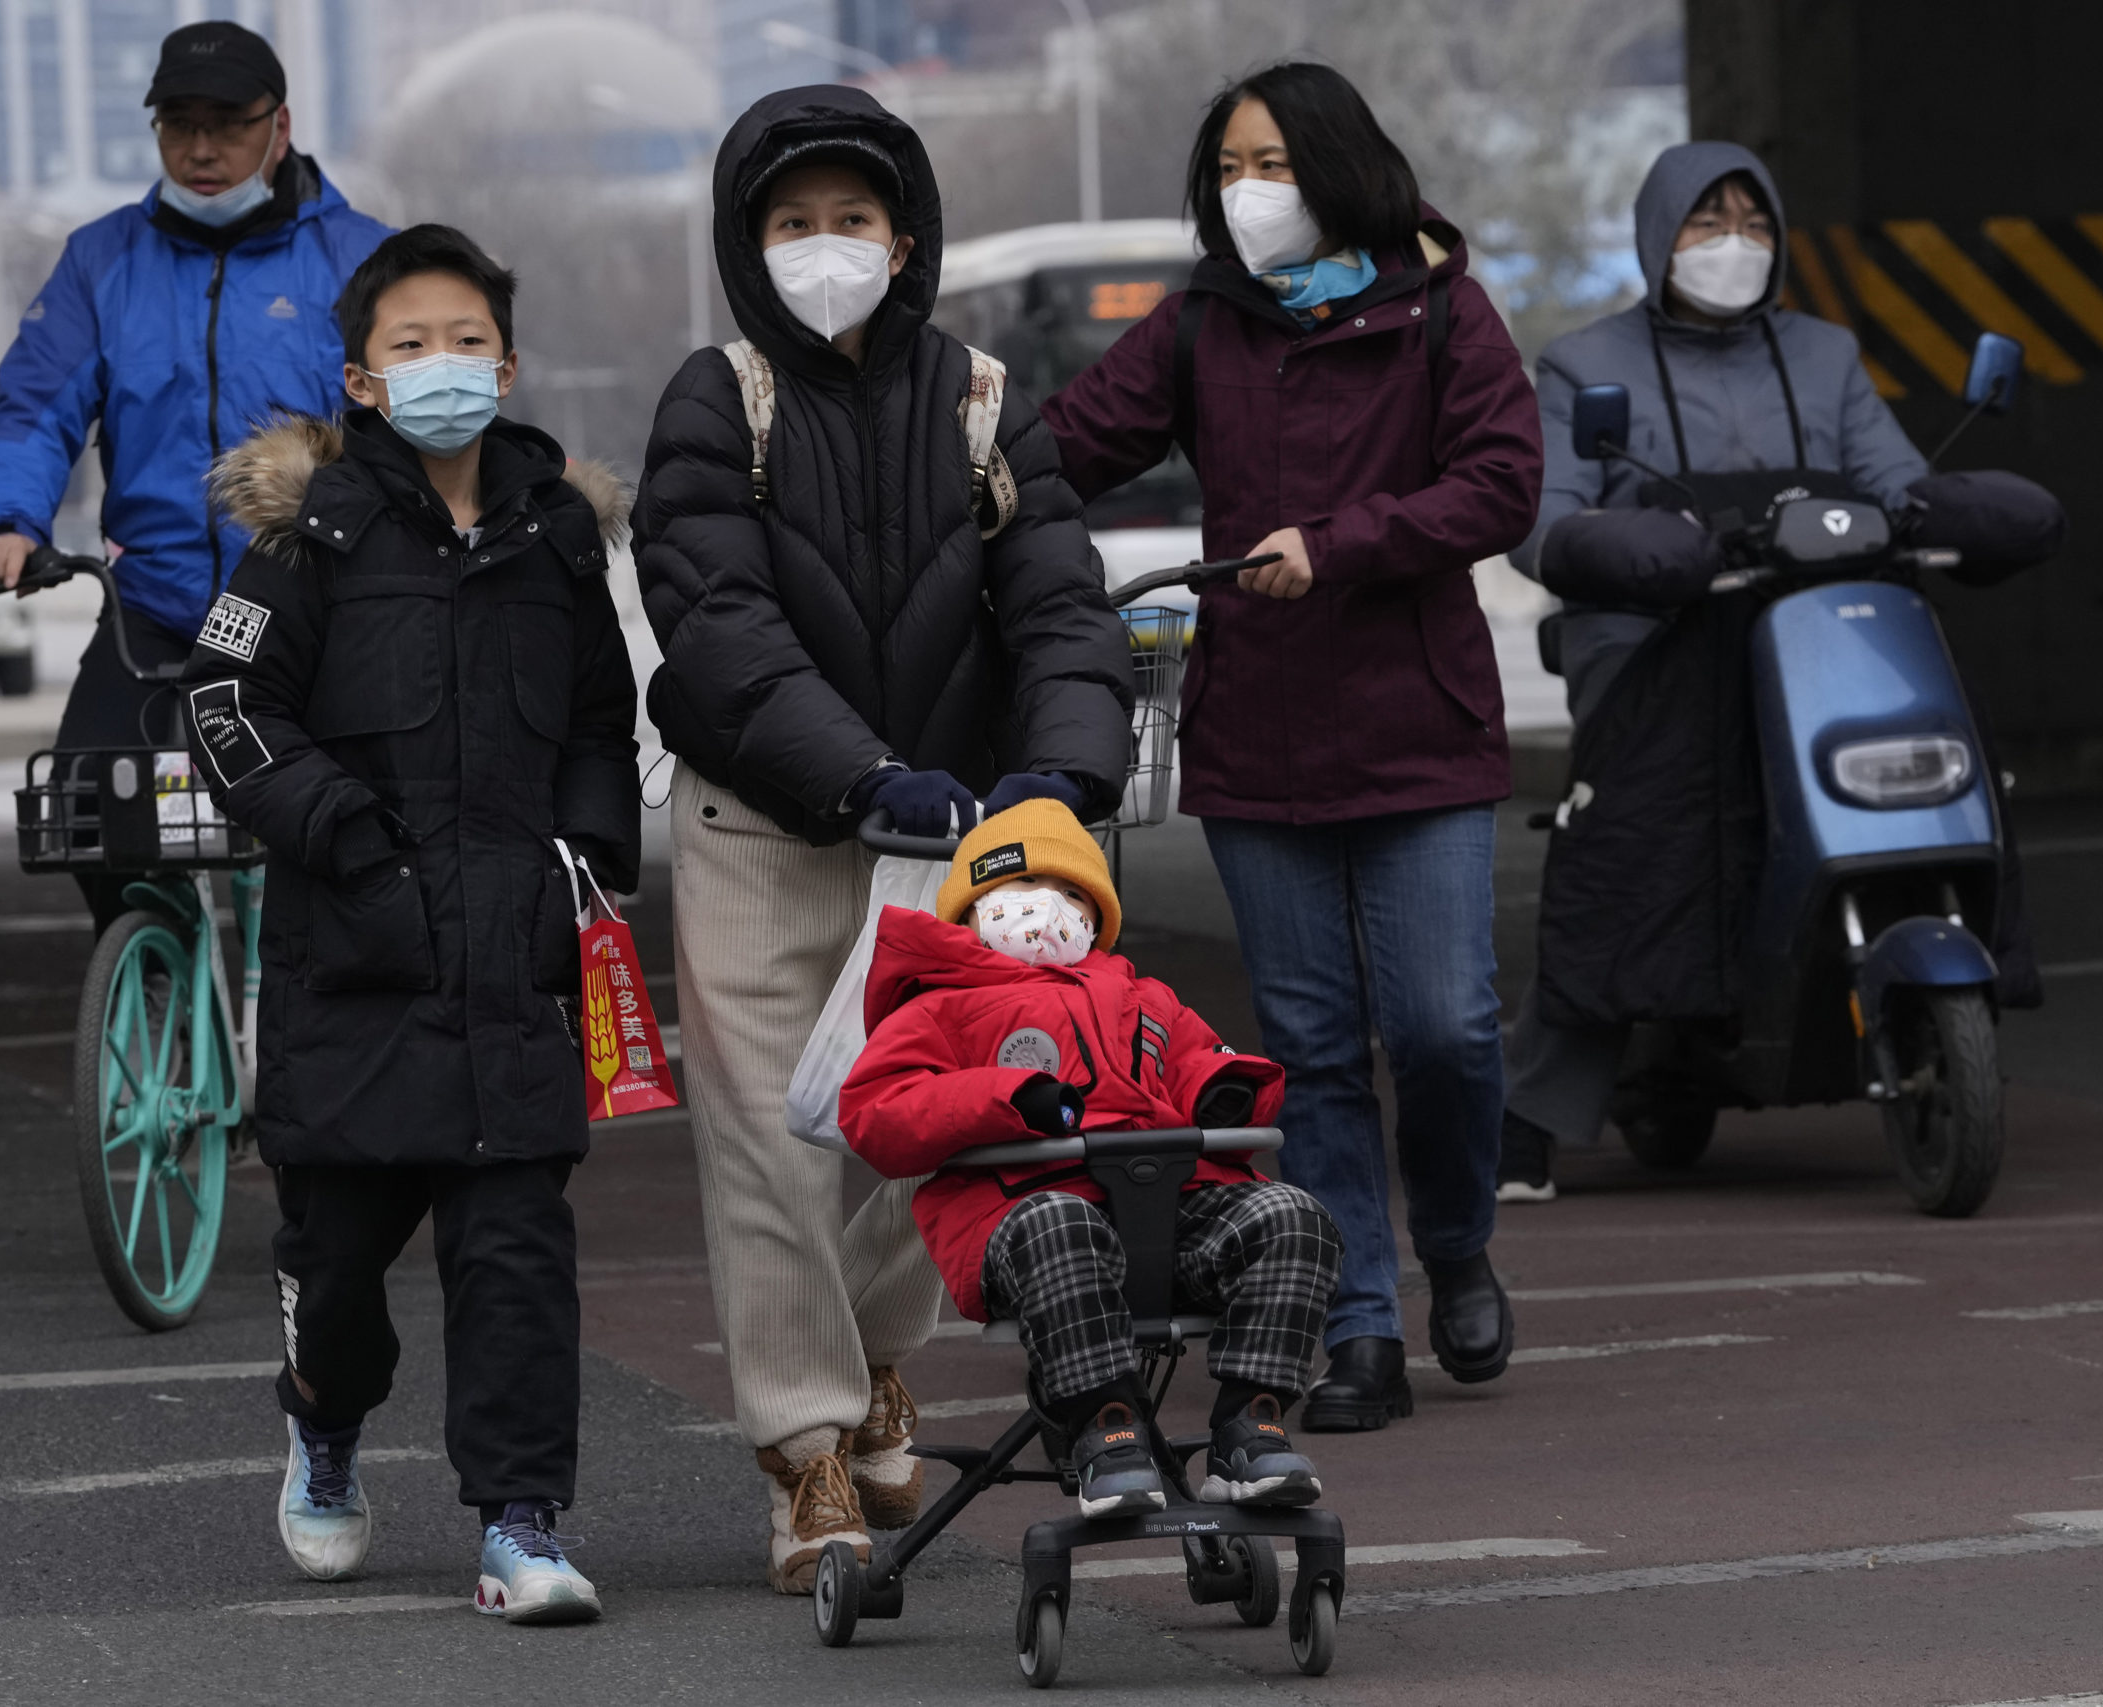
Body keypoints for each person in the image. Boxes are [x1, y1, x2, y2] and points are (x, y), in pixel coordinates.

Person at [633, 84, 1134, 1592]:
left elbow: (1057, 601)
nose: (825, 247)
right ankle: (807, 1456)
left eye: (852, 220)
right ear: (746, 241)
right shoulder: (713, 401)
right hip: (760, 826)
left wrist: (1059, 777)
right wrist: (853, 773)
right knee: (768, 1157)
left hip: (954, 841)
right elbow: (713, 619)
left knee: (927, 1126)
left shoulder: (986, 396)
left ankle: (879, 1363)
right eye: (793, 224)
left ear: (905, 235)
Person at [1041, 63, 1542, 1433]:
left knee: (1445, 1027)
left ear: (1339, 169)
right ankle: (1359, 1320)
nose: (1247, 192)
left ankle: (1456, 1239)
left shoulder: (1440, 306)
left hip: (1420, 726)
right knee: (1314, 1048)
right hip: (1259, 733)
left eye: (1272, 163)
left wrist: (1339, 547)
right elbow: (1072, 441)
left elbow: (1502, 482)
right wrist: (947, 462)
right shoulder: (1206, 322)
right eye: (1229, 167)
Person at [179, 226, 639, 1623]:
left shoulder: (557, 539)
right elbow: (222, 707)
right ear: (362, 380)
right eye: (409, 344)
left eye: (467, 340)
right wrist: (346, 840)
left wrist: (588, 851)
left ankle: (521, 1523)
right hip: (353, 972)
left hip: (511, 970)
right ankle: (324, 1417)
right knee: (341, 1285)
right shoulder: (307, 538)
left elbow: (599, 725)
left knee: (516, 1260)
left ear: (507, 362)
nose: (443, 365)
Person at [1497, 142, 1932, 1201]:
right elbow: (1537, 518)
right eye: (1704, 224)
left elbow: (1896, 480)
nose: (1730, 244)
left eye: (1750, 223)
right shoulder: (1582, 363)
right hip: (1650, 637)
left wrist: (1945, 512)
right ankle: (1527, 1112)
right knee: (1633, 844)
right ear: (1657, 238)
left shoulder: (1824, 355)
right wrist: (1611, 549)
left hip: (1813, 627)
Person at [0, 19, 389, 926]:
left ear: (280, 126)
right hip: (156, 609)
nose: (201, 149)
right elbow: (36, 406)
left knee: (359, 831)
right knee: (88, 802)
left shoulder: (360, 258)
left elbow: (411, 418)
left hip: (316, 608)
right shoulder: (102, 259)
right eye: (178, 123)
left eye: (229, 124)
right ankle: (156, 981)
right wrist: (8, 521)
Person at [837, 801, 1339, 1517]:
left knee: (1292, 1215)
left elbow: (1199, 1054)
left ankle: (1249, 1424)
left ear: (1097, 918)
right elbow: (877, 1111)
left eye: (1074, 894)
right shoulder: (936, 1006)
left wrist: (1222, 1089)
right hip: (1023, 1215)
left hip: (1166, 1212)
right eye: (1021, 889)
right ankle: (1108, 1429)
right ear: (971, 908)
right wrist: (1009, 1095)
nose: (1048, 907)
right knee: (1060, 1227)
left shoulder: (1140, 993)